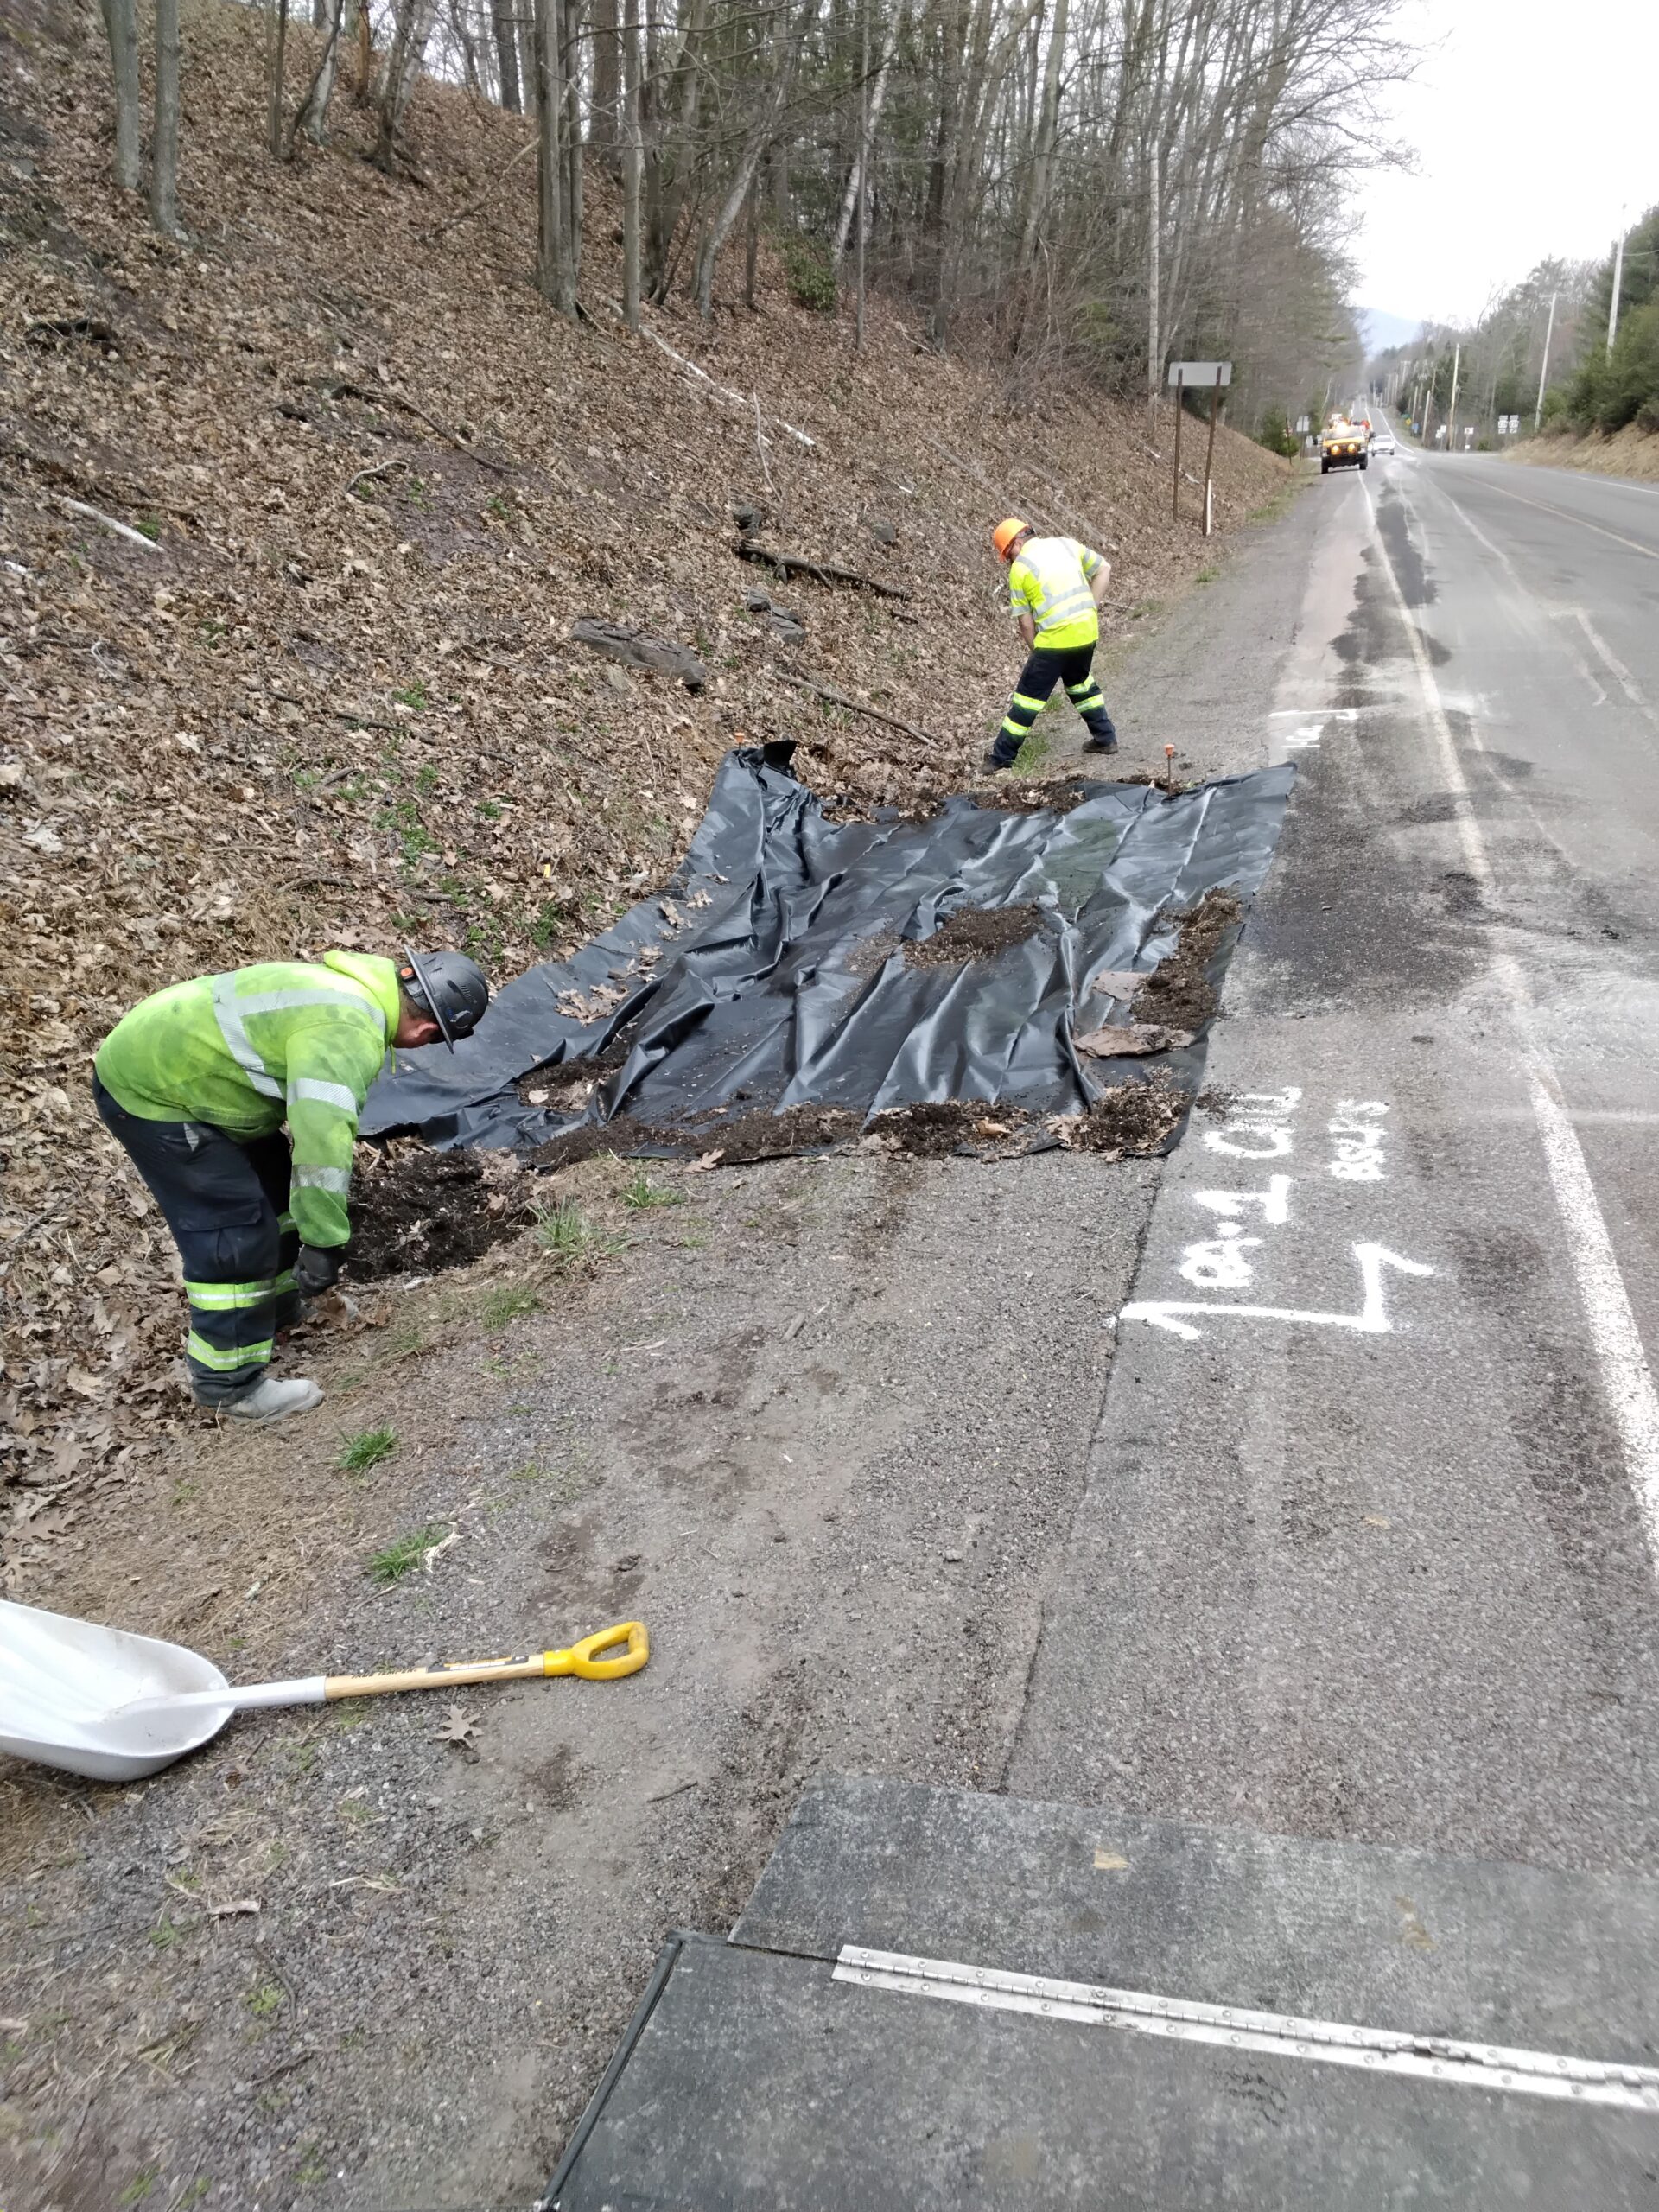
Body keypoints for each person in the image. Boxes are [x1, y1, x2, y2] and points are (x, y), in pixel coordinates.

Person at [93, 948, 490, 1424]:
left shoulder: (355, 986)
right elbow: (322, 1145)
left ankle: (279, 1308)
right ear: (427, 1032)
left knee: (275, 1189)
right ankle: (229, 1386)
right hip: (154, 1090)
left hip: (190, 1069)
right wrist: (325, 1242)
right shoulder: (349, 1030)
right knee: (234, 1230)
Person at [985, 518, 1117, 772]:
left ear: (1017, 544)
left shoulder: (1020, 568)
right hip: (1087, 632)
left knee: (1027, 700)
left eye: (1008, 554)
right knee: (1080, 684)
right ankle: (1105, 738)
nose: (1010, 561)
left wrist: (1037, 651)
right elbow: (1104, 568)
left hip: (1054, 641)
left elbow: (1025, 623)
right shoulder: (1067, 544)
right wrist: (1091, 608)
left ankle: (1000, 759)